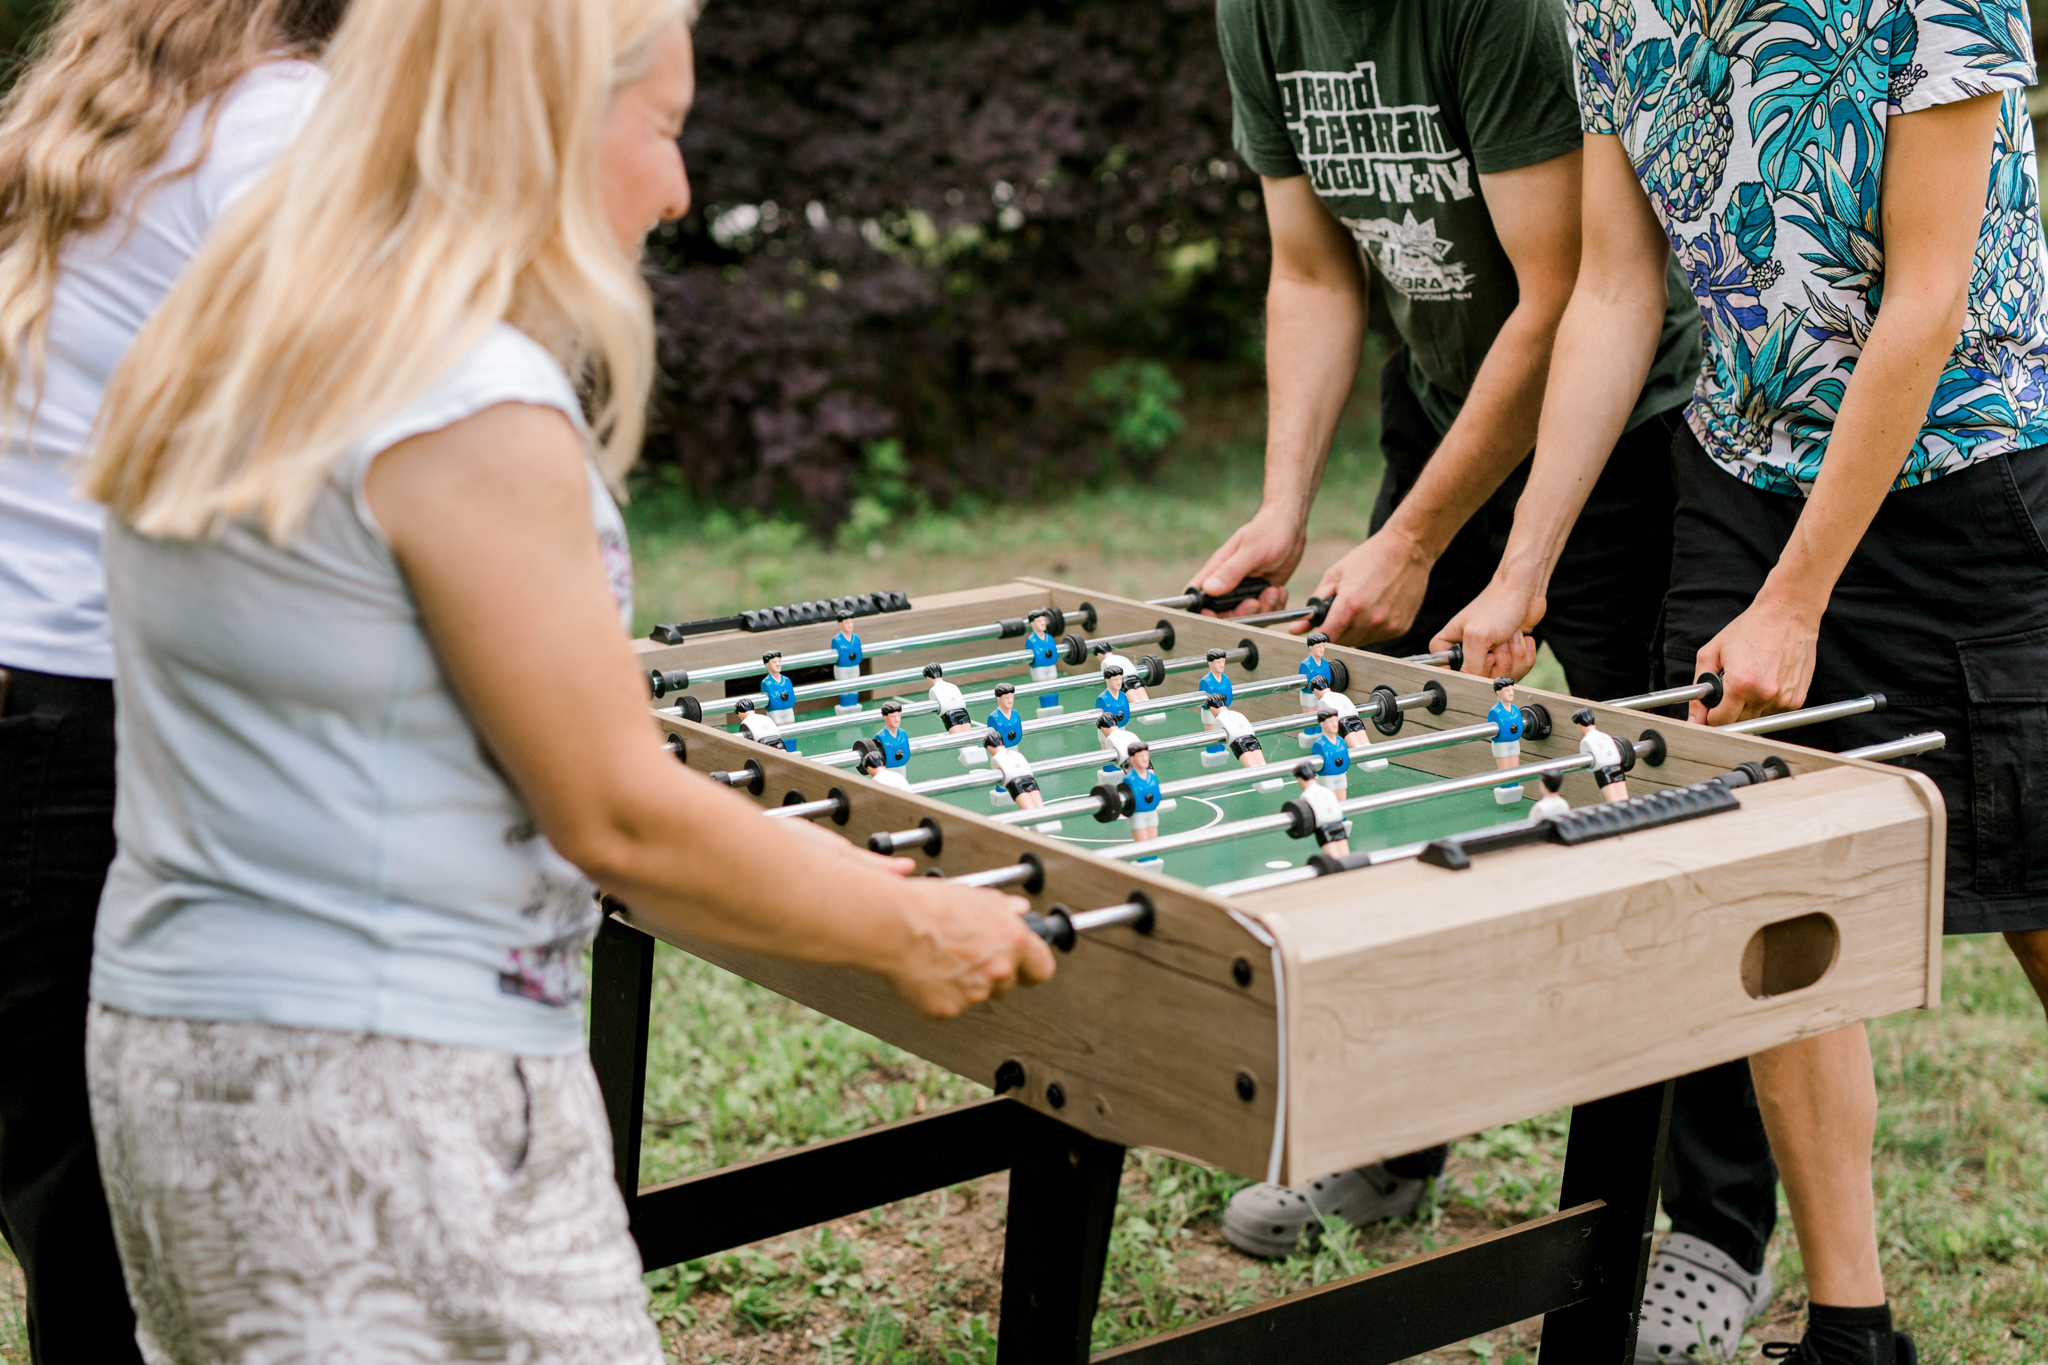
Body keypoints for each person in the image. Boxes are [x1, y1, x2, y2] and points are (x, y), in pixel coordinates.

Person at [74, 1, 1054, 1357]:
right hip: (389, 1087)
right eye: (660, 128)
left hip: (189, 1047)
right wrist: (908, 928)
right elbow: (617, 812)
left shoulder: (241, 324)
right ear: (538, 118)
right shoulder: (459, 394)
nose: (677, 185)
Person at [1429, 0, 2048, 1355]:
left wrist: (1798, 597)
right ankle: (1851, 1320)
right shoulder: (1605, 7)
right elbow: (1611, 283)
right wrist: (1523, 564)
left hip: (1967, 476)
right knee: (1771, 892)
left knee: (2035, 896)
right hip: (1739, 470)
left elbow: (1926, 296)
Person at [0, 3, 346, 1360]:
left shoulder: (111, 111)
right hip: (105, 737)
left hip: (37, 716)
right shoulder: (287, 124)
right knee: (138, 1242)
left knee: (75, 1210)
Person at [1188, 0, 1701, 709]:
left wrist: (1411, 544)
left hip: (1618, 435)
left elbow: (1560, 298)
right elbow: (1313, 275)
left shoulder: (1504, 14)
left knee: (1641, 760)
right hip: (1440, 413)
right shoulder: (1255, 13)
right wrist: (1285, 505)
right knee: (1371, 725)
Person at [1486, 677, 1524, 805]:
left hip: (1514, 742)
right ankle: (1505, 794)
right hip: (1501, 744)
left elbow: (1518, 726)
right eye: (1507, 690)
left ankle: (1515, 793)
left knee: (1514, 771)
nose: (1511, 693)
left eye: (1512, 690)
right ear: (1498, 693)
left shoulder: (1515, 710)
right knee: (1505, 771)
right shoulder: (1495, 712)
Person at [830, 611, 863, 713]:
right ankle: (844, 708)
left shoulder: (856, 638)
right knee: (844, 689)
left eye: (851, 622)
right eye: (847, 622)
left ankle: (854, 707)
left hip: (854, 666)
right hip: (842, 668)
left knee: (854, 687)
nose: (850, 625)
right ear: (840, 624)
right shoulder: (837, 640)